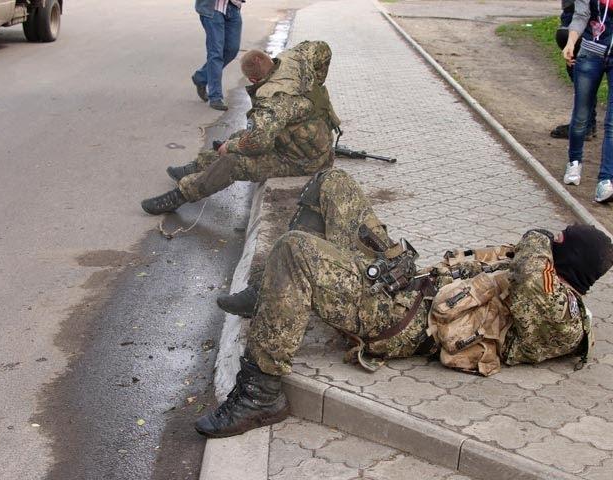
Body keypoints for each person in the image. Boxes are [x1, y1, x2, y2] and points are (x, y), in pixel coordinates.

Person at [194, 168, 613, 438]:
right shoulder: (538, 273)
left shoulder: (564, 318)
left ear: (569, 264)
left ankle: (261, 391)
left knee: (294, 251)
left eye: (559, 243)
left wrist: (539, 237)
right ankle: (273, 293)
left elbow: (532, 279)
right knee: (332, 182)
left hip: (400, 322)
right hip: (406, 283)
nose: (547, 241)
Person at [141, 41, 340, 215]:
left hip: (305, 160)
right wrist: (318, 81)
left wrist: (231, 147)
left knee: (233, 162)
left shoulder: (272, 100)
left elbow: (258, 143)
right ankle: (198, 166)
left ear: (253, 80)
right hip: (305, 142)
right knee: (239, 136)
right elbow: (324, 49)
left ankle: (180, 195)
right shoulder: (294, 58)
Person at [563, 0, 613, 202]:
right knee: (582, 114)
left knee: (612, 124)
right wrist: (570, 42)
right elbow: (581, 15)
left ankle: (606, 180)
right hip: (591, 51)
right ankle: (574, 161)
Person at [550, 0, 598, 140]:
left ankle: (585, 125)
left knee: (582, 72)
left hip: (582, 12)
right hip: (577, 11)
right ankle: (588, 122)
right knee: (580, 71)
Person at [192, 0, 244, 111]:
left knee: (232, 50)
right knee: (216, 53)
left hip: (233, 7)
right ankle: (215, 97)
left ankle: (201, 77)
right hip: (213, 9)